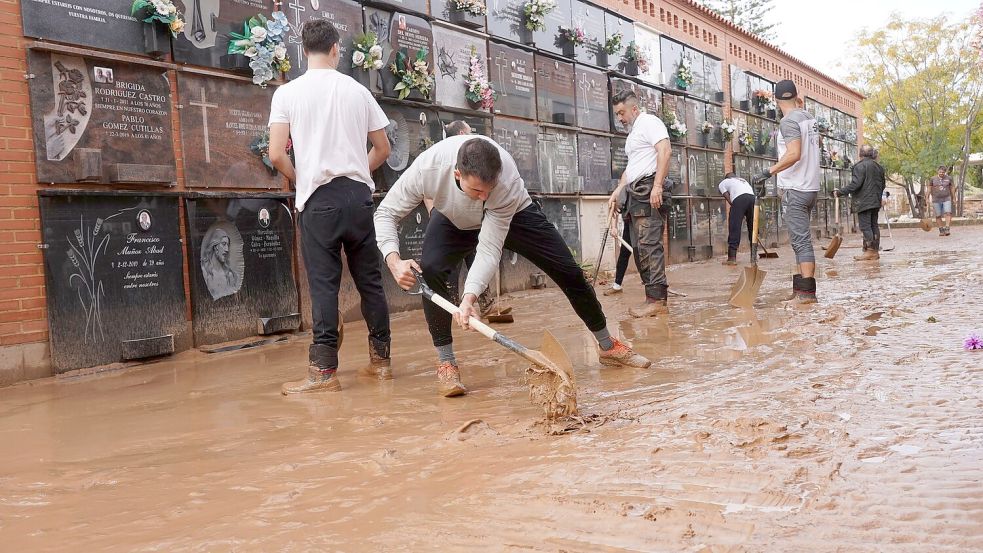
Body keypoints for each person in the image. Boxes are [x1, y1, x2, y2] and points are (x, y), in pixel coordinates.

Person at [375, 135, 651, 398]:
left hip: (514, 214)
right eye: (476, 190)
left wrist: (470, 296)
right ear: (457, 174)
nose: (482, 197)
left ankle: (607, 345)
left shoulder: (504, 184)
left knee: (568, 270)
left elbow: (488, 248)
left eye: (488, 190)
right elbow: (386, 212)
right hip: (453, 217)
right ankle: (446, 363)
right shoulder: (427, 168)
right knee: (432, 269)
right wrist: (393, 259)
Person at [268, 19, 393, 394]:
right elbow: (383, 149)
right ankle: (381, 362)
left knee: (324, 286)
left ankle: (323, 373)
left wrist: (303, 177)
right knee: (370, 280)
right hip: (358, 198)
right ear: (336, 49)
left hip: (318, 199)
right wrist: (357, 170)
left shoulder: (288, 94)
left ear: (303, 51)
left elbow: (276, 154)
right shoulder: (357, 91)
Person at [751, 80, 821, 304]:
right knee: (800, 239)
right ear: (796, 97)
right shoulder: (808, 118)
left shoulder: (788, 122)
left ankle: (807, 293)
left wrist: (767, 172)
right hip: (810, 187)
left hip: (796, 188)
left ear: (775, 99)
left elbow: (794, 154)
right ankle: (800, 286)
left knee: (801, 241)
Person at [607, 90, 673, 317]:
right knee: (639, 248)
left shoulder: (648, 122)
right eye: (617, 114)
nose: (620, 118)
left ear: (634, 109)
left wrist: (657, 186)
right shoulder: (633, 134)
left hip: (648, 190)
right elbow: (631, 169)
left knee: (649, 245)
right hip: (635, 192)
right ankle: (652, 298)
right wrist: (617, 190)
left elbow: (665, 150)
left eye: (622, 112)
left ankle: (657, 300)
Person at [835, 144, 886, 261]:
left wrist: (840, 192)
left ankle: (870, 251)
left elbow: (855, 184)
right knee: (873, 225)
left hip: (864, 201)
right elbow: (883, 184)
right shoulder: (879, 167)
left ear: (860, 154)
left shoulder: (859, 166)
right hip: (875, 201)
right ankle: (874, 250)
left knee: (865, 226)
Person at [717, 172, 756, 265]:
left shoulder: (723, 182)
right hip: (753, 199)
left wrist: (736, 208)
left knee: (734, 226)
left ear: (726, 178)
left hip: (739, 199)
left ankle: (732, 258)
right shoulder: (743, 180)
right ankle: (754, 257)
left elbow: (727, 197)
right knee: (753, 227)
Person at [200, 227, 240, 300]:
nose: (227, 249)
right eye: (224, 244)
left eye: (228, 245)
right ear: (215, 247)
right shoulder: (205, 272)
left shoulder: (230, 275)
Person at [602, 212, 632, 296]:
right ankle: (617, 285)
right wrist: (614, 227)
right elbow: (614, 209)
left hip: (643, 224)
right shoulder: (620, 198)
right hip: (629, 223)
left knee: (643, 255)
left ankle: (653, 286)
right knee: (624, 254)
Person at [929, 165, 955, 236]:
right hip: (936, 199)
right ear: (938, 171)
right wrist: (927, 198)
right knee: (938, 215)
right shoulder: (932, 179)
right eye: (940, 172)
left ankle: (947, 228)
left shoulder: (949, 178)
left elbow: (952, 188)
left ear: (945, 172)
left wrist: (954, 198)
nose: (941, 173)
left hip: (947, 198)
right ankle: (941, 230)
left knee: (948, 213)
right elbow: (929, 189)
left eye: (943, 172)